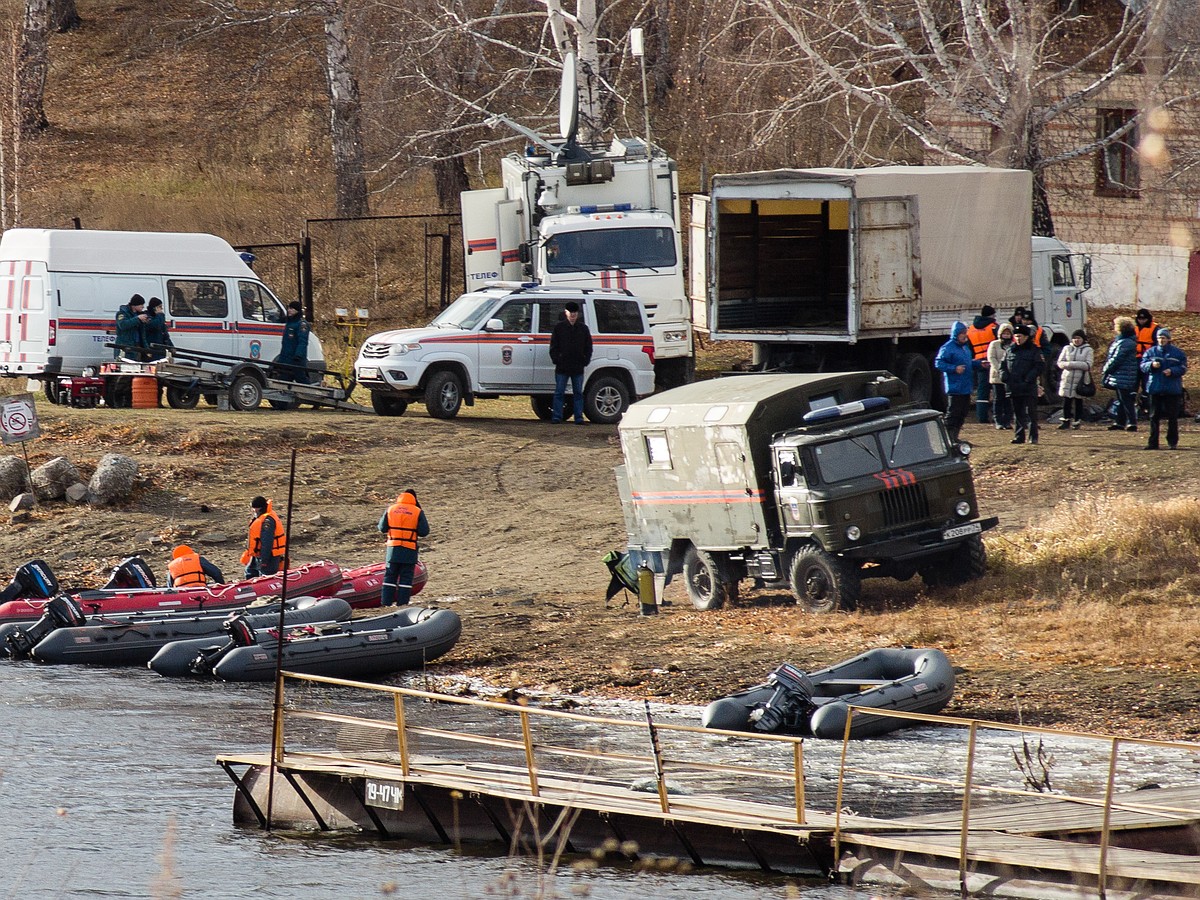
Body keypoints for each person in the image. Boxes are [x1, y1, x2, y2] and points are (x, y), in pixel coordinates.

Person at [933, 321, 985, 443]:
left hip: (966, 386)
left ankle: (954, 437)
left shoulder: (965, 348)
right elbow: (939, 363)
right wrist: (954, 369)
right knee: (953, 414)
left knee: (963, 413)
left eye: (965, 333)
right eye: (962, 333)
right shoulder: (948, 347)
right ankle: (947, 439)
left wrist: (979, 364)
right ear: (956, 334)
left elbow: (968, 363)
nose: (964, 335)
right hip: (955, 386)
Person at [378, 489, 429, 606]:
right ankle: (402, 604)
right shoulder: (417, 511)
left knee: (390, 576)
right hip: (409, 549)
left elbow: (382, 528)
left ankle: (386, 603)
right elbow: (424, 531)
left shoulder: (390, 509)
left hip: (393, 549)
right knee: (406, 578)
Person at [1140, 327, 1187, 450]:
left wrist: (1172, 371)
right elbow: (1143, 366)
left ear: (1168, 339)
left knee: (1172, 417)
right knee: (1153, 416)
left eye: (1163, 338)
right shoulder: (1150, 352)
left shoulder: (1178, 353)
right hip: (1155, 388)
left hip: (1172, 389)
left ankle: (1172, 442)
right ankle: (1153, 443)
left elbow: (1183, 368)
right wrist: (1151, 365)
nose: (1161, 340)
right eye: (1159, 338)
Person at [549, 300, 593, 424]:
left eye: (575, 312)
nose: (573, 315)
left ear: (578, 314)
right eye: (570, 312)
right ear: (565, 313)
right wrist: (557, 360)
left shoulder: (583, 329)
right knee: (559, 392)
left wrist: (585, 360)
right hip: (562, 367)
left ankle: (578, 417)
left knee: (578, 393)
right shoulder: (559, 328)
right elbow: (553, 347)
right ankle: (557, 417)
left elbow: (588, 347)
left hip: (578, 366)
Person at [1001, 325, 1044, 445]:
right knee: (1018, 412)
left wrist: (1028, 379)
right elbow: (1003, 366)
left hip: (1028, 386)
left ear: (1026, 337)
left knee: (1030, 413)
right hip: (1013, 386)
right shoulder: (1010, 350)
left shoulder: (1034, 350)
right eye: (1016, 336)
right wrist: (1004, 376)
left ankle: (1033, 437)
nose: (1018, 339)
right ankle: (1019, 436)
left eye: (1020, 336)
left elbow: (1039, 366)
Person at [1101, 316, 1139, 432]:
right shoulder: (1124, 341)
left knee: (1126, 399)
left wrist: (1106, 369)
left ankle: (1132, 422)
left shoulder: (1125, 342)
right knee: (1122, 399)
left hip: (1124, 374)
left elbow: (1117, 358)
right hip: (1122, 373)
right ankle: (1120, 422)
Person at [966, 305, 998, 423]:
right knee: (997, 389)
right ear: (992, 315)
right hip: (993, 361)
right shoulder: (994, 327)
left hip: (979, 363)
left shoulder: (971, 329)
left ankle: (982, 417)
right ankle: (998, 416)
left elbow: (969, 348)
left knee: (982, 390)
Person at [240, 496, 286, 578]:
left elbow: (267, 542)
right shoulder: (261, 517)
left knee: (266, 576)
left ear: (259, 508)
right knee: (249, 571)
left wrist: (264, 560)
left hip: (269, 555)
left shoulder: (267, 521)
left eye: (254, 508)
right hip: (257, 554)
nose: (253, 510)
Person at [1056, 330, 1094, 430]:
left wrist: (1071, 364)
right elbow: (1060, 363)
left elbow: (1088, 364)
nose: (1076, 340)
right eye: (1074, 338)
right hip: (1067, 378)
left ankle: (1077, 421)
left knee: (1078, 401)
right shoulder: (1067, 348)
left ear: (1083, 339)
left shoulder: (1088, 350)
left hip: (1080, 379)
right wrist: (1069, 364)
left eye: (1079, 338)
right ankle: (1065, 420)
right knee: (1066, 400)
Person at [987, 322, 1015, 430]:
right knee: (998, 399)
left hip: (1009, 377)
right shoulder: (994, 344)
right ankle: (998, 421)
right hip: (996, 377)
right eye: (1004, 333)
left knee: (1008, 399)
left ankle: (1007, 421)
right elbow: (991, 358)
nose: (1006, 335)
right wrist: (1000, 369)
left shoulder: (1013, 346)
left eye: (1008, 333)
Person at [276, 300, 312, 383]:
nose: (289, 310)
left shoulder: (301, 324)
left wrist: (298, 355)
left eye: (292, 309)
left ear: (297, 310)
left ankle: (308, 395)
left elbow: (302, 342)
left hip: (296, 361)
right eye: (289, 308)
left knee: (302, 381)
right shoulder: (289, 323)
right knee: (283, 382)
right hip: (286, 360)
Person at [1133, 308, 1160, 400]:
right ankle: (1133, 401)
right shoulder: (1133, 328)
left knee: (1146, 382)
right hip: (1135, 358)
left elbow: (1158, 344)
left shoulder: (1155, 328)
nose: (1142, 321)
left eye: (1144, 319)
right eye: (1140, 319)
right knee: (1134, 382)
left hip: (1148, 359)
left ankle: (1146, 401)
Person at [114, 294, 149, 359]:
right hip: (124, 346)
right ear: (135, 305)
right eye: (141, 305)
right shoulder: (122, 313)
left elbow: (142, 334)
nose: (143, 307)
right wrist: (137, 319)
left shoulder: (139, 314)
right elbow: (123, 325)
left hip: (136, 347)